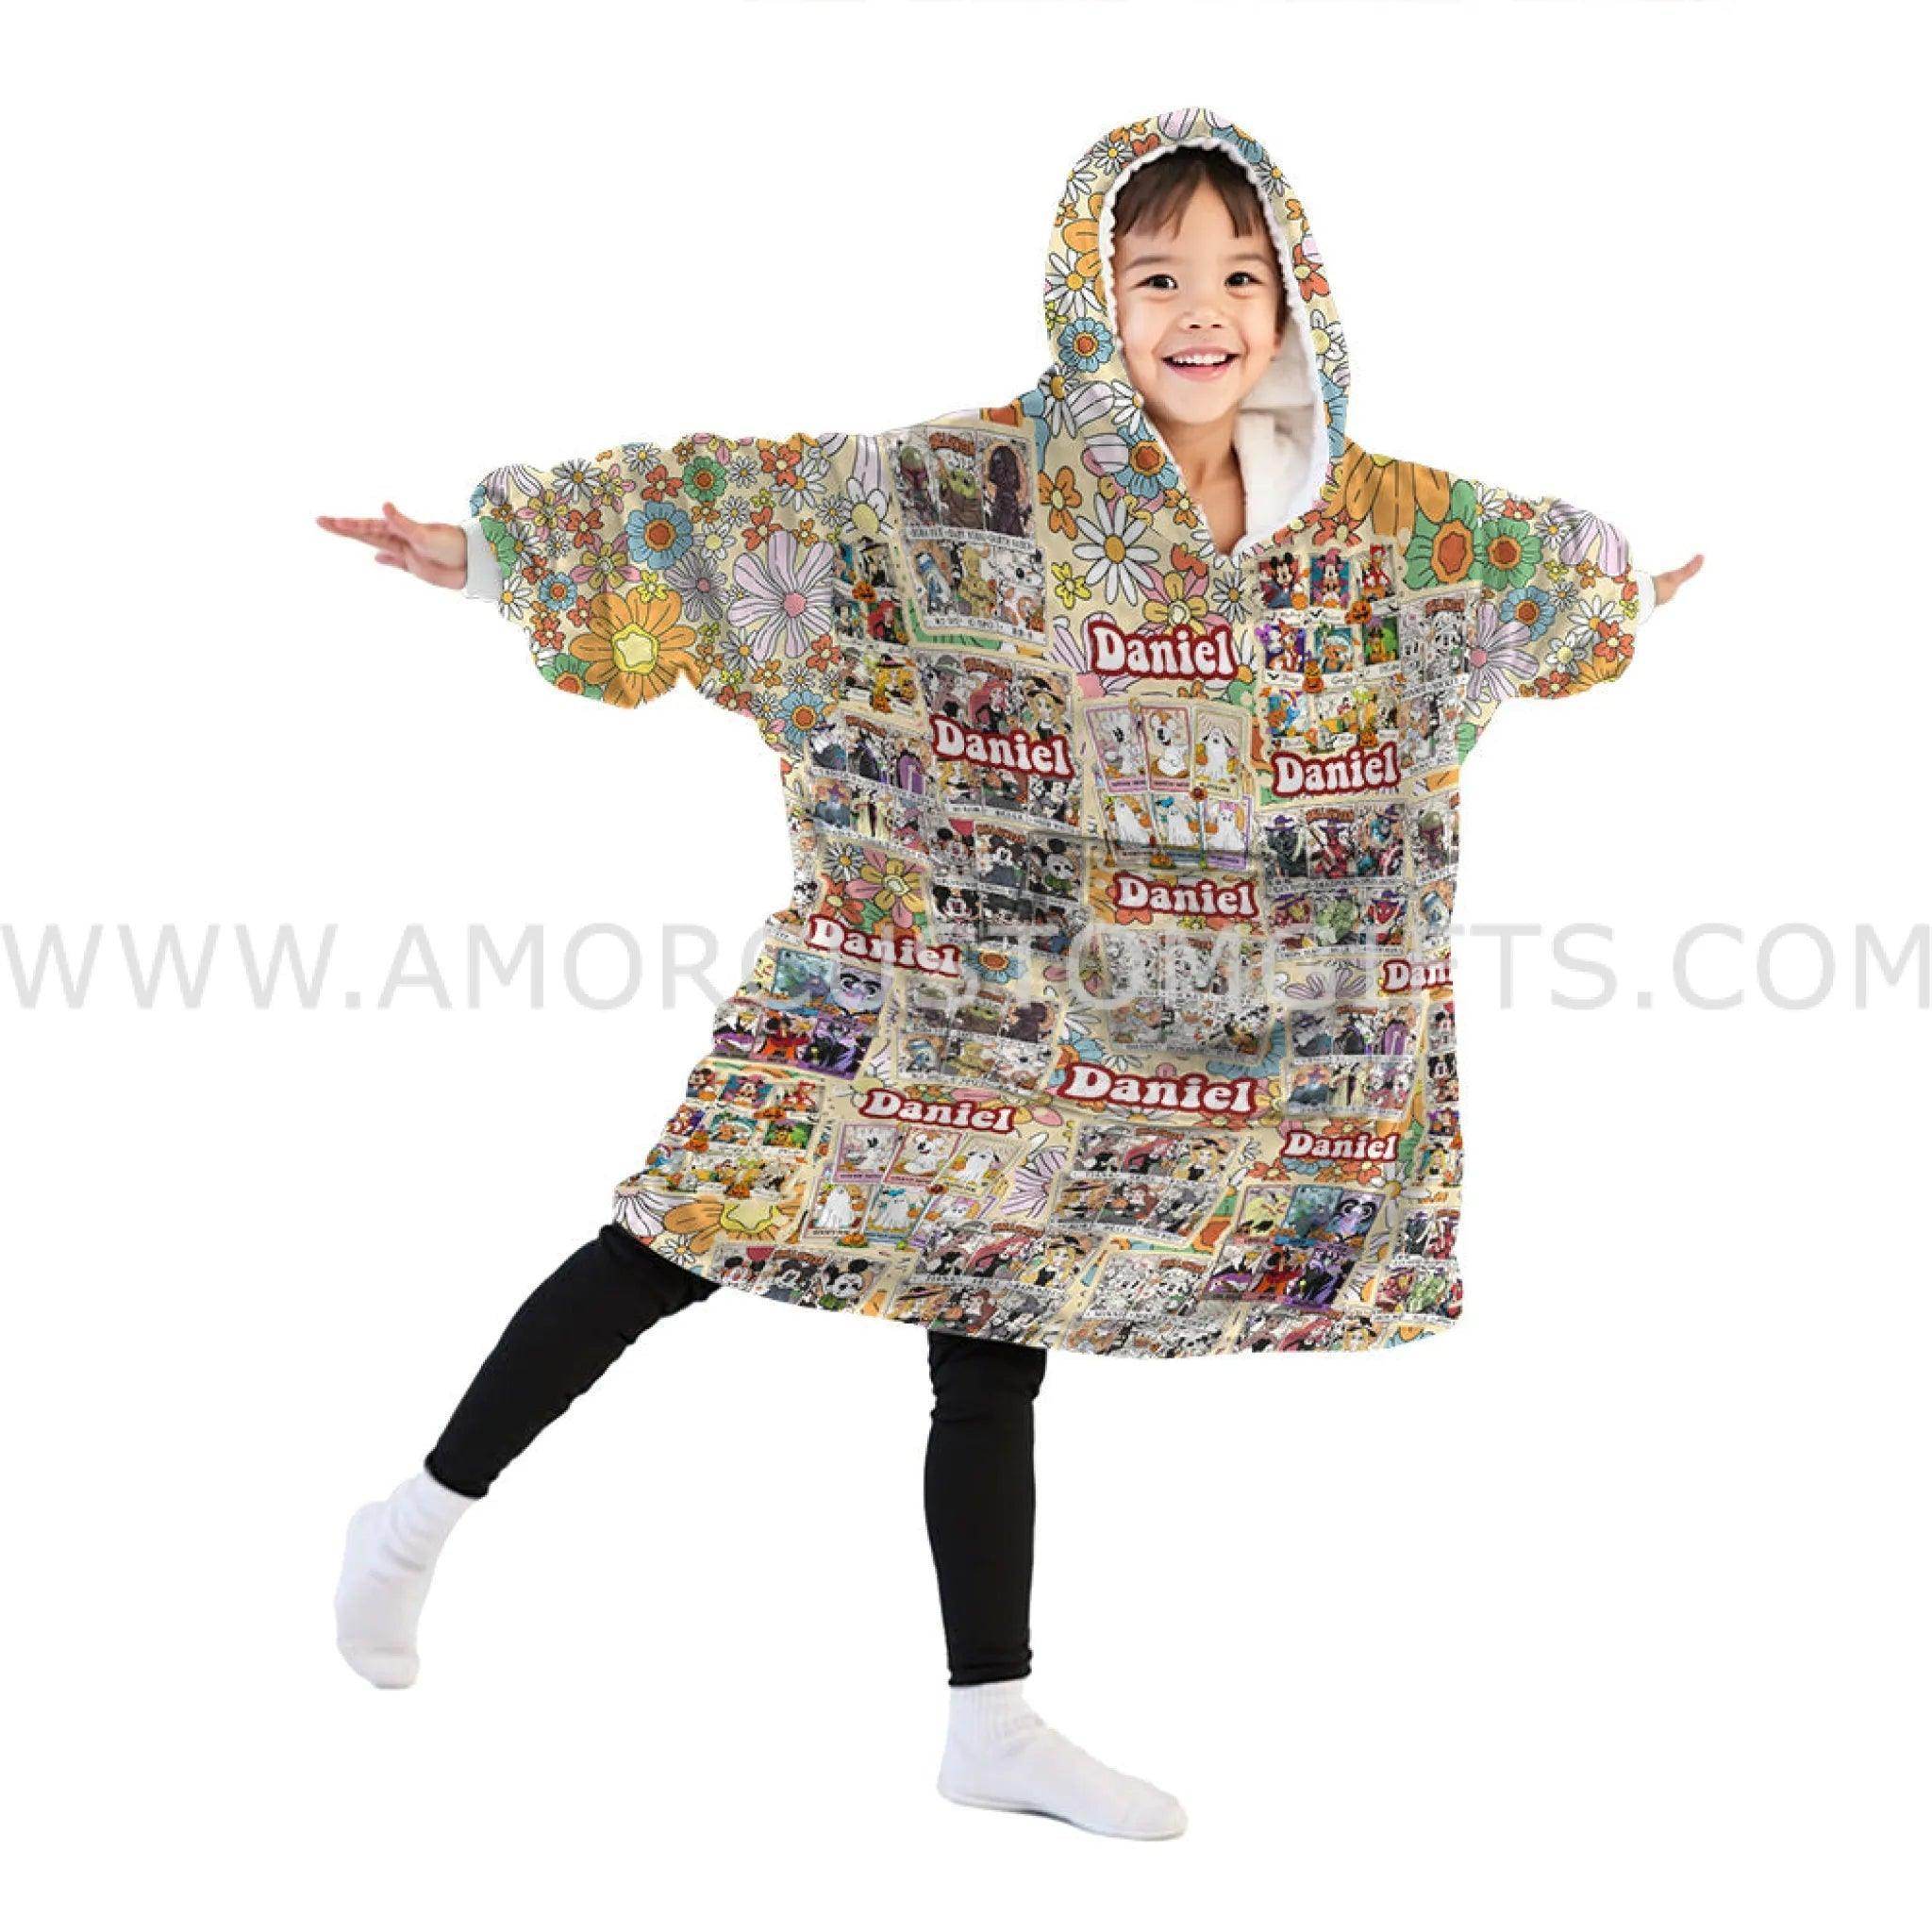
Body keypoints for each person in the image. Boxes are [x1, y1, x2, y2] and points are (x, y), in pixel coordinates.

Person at [317, 106, 1702, 1840]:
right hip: (931, 976)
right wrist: (495, 560)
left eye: (1241, 276)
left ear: (1294, 299)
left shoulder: (1359, 519)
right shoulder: (962, 485)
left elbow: (1501, 572)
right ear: (1090, 299)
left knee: (996, 1339)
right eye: (1158, 277)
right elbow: (741, 520)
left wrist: (1614, 599)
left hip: (1132, 1029)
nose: (1203, 312)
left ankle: (991, 1721)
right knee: (683, 1231)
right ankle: (413, 1525)